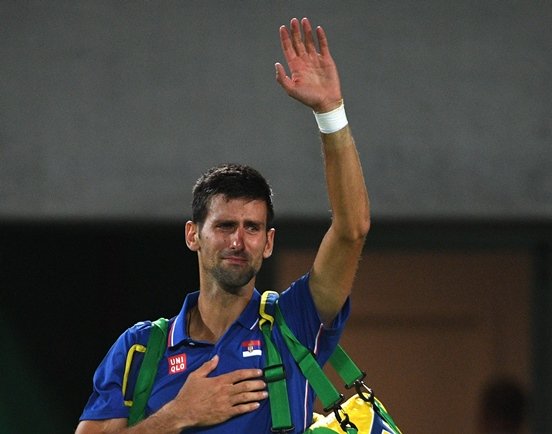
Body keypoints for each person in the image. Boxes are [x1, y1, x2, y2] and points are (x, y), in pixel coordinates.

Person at [75, 17, 369, 434]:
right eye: (225, 225)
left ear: (268, 243)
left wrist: (330, 113)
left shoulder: (295, 322)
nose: (238, 240)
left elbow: (351, 228)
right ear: (193, 234)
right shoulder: (139, 349)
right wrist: (178, 415)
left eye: (252, 228)